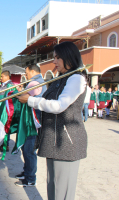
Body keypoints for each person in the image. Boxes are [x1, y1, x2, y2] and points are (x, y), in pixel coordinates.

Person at [18, 42, 87, 200]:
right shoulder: (60, 78)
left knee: (62, 191)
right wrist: (27, 97)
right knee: (53, 186)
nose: (54, 61)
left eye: (57, 58)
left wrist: (30, 100)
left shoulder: (76, 78)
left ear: (68, 57)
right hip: (53, 139)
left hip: (66, 142)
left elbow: (58, 106)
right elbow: (46, 99)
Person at [14, 64, 47, 187]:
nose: (25, 75)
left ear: (33, 72)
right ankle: (27, 172)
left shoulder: (35, 83)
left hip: (33, 124)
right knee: (26, 149)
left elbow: (25, 97)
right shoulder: (36, 82)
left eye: (26, 73)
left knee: (29, 150)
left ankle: (30, 178)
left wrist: (16, 94)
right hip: (30, 122)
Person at [0, 71, 14, 152]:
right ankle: (3, 144)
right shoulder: (3, 84)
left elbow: (7, 97)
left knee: (5, 127)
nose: (0, 78)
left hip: (6, 109)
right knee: (1, 126)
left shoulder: (10, 85)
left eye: (2, 76)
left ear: (7, 76)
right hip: (1, 107)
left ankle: (6, 145)